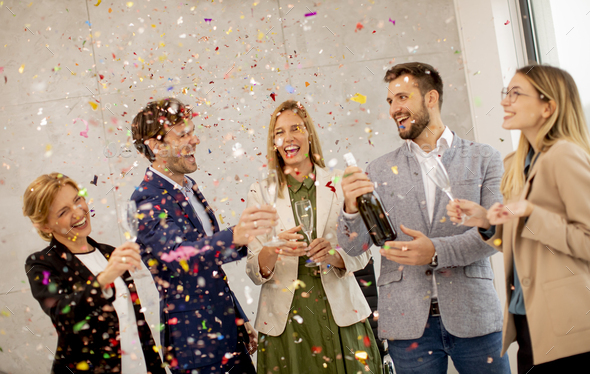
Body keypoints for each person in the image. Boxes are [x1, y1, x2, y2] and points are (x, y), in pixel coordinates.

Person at [337, 62, 511, 373]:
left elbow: (496, 235)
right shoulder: (377, 169)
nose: (394, 109)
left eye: (402, 98)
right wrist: (350, 207)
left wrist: (435, 252)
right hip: (407, 325)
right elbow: (354, 247)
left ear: (430, 98)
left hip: (475, 316)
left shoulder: (484, 158)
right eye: (390, 101)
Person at [446, 65, 590, 373]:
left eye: (516, 93)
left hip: (571, 326)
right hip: (530, 324)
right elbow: (528, 244)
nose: (505, 101)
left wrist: (531, 213)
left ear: (548, 106)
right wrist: (487, 221)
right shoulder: (516, 163)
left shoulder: (564, 155)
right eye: (505, 93)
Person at [130, 98, 277, 374]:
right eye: (183, 134)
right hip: (196, 348)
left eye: (192, 131)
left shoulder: (189, 186)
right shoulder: (145, 200)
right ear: (155, 144)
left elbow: (209, 265)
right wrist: (235, 235)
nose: (195, 139)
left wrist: (238, 317)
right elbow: (180, 258)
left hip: (231, 337)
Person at [245, 100, 382, 373]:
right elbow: (252, 268)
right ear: (274, 143)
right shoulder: (259, 192)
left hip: (342, 317)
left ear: (309, 133)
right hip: (284, 325)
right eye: (279, 132)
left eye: (295, 128)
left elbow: (364, 251)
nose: (288, 138)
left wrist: (336, 256)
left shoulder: (341, 183)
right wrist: (274, 248)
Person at [23, 173, 165, 374]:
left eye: (77, 199)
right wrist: (105, 278)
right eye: (63, 211)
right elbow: (64, 316)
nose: (78, 211)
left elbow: (137, 324)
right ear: (45, 225)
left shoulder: (109, 252)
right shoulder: (41, 264)